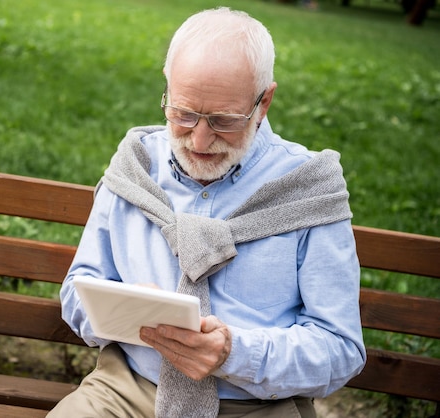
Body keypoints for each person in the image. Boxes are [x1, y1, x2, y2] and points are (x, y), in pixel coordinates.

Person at [49, 7, 365, 418]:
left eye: (223, 120)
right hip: (125, 390)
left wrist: (235, 353)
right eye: (183, 114)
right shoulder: (136, 168)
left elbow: (340, 348)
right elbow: (78, 289)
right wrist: (123, 311)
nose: (200, 138)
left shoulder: (308, 189)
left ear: (264, 101)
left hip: (256, 407)